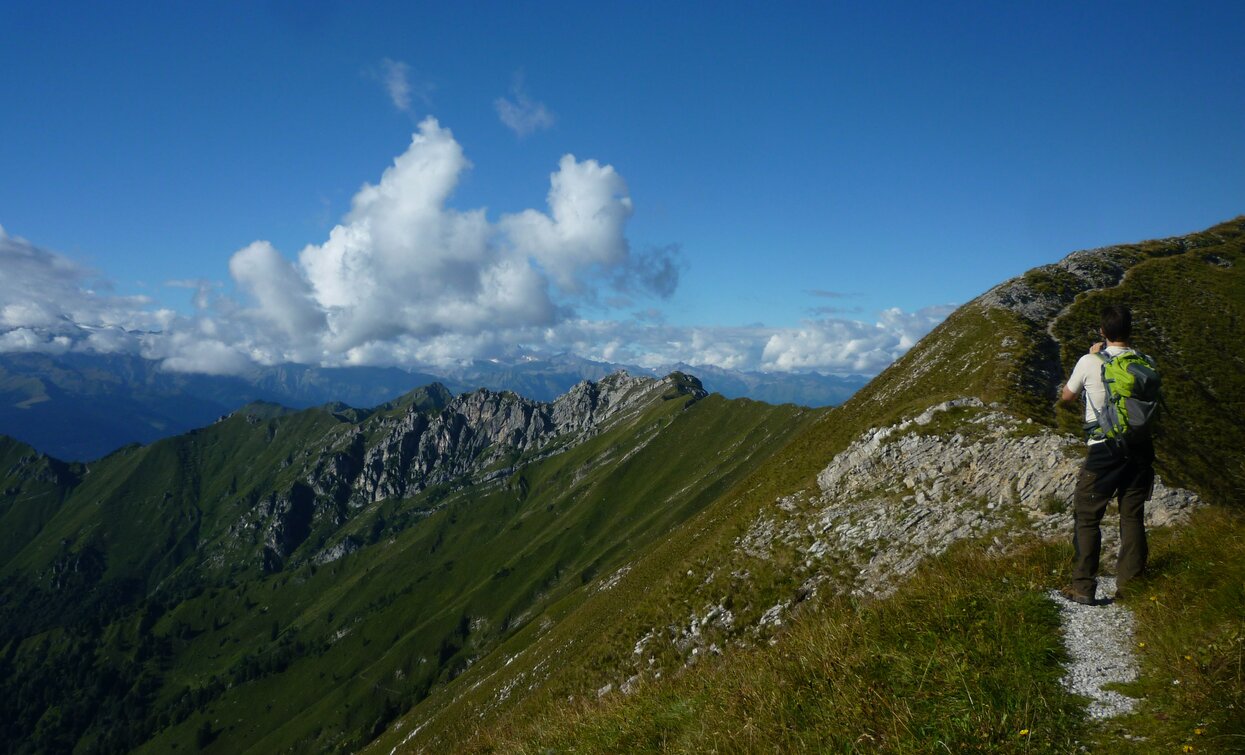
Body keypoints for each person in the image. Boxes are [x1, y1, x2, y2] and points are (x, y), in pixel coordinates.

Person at [1057, 304, 1155, 605]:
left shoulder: (1089, 361)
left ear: (1103, 331)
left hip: (1104, 450)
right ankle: (1131, 587)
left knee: (1087, 517)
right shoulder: (1146, 361)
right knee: (1132, 517)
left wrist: (1092, 355)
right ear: (1130, 330)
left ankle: (1084, 587)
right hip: (1139, 449)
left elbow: (1067, 397)